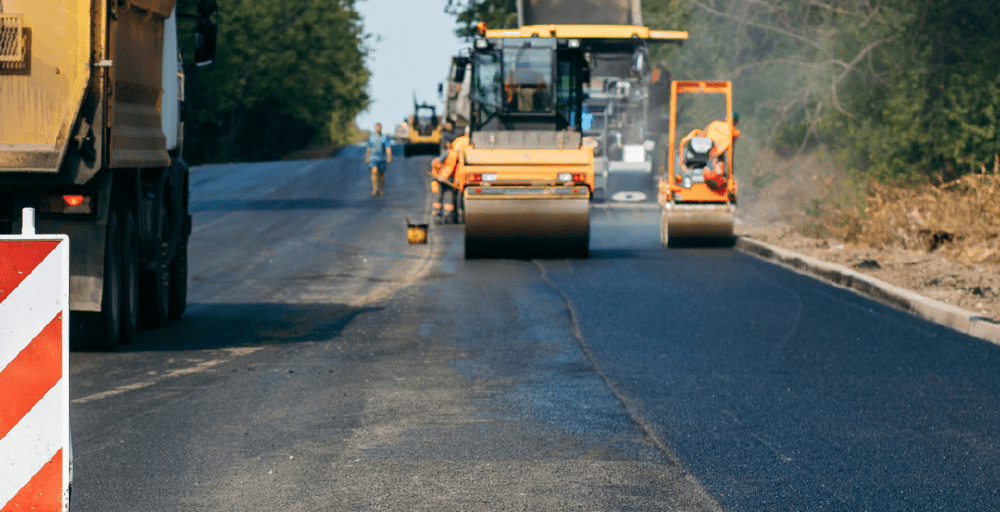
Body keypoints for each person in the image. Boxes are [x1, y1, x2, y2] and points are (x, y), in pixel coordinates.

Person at [433, 128, 470, 223]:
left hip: (446, 178)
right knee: (453, 198)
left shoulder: (453, 148)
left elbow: (435, 162)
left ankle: (442, 216)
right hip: (454, 179)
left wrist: (438, 174)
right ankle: (453, 217)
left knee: (441, 198)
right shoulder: (469, 144)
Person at [366, 123, 392, 196]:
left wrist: (389, 156)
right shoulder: (371, 137)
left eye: (379, 127)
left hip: (382, 158)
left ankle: (381, 189)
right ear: (375, 128)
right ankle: (374, 189)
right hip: (373, 158)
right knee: (374, 172)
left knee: (381, 174)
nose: (378, 129)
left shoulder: (384, 137)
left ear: (381, 128)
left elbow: (388, 148)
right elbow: (369, 148)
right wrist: (367, 157)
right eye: (377, 128)